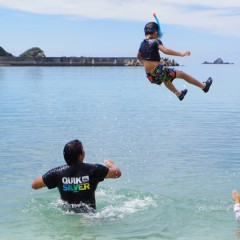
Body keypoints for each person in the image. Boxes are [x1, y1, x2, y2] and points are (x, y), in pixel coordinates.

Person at [32, 139, 121, 213]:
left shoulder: (57, 173)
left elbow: (35, 185)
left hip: (67, 212)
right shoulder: (93, 169)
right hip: (89, 212)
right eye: (82, 150)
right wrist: (110, 164)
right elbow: (117, 173)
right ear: (80, 156)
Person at [137, 22, 213, 101]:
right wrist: (181, 54)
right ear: (156, 32)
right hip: (158, 72)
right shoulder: (156, 41)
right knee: (182, 74)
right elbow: (166, 51)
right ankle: (203, 86)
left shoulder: (142, 44)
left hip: (150, 76)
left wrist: (146, 64)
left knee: (166, 79)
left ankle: (179, 94)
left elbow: (138, 57)